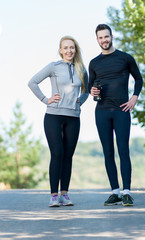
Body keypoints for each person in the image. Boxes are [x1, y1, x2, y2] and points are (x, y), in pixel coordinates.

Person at [28, 36, 89, 207]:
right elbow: (32, 82)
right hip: (53, 116)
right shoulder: (53, 67)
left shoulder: (81, 69)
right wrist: (45, 99)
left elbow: (86, 90)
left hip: (74, 117)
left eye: (72, 48)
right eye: (66, 48)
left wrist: (81, 101)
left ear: (75, 50)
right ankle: (54, 195)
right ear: (60, 50)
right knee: (57, 154)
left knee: (68, 156)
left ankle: (65, 194)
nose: (69, 51)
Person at [88, 24, 143, 206]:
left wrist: (134, 97)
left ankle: (127, 192)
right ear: (97, 40)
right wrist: (93, 91)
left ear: (111, 36)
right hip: (102, 112)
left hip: (122, 110)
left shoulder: (125, 58)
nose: (104, 40)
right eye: (100, 37)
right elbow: (90, 86)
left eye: (106, 36)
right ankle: (115, 192)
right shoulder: (94, 63)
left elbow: (138, 78)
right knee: (108, 152)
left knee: (123, 149)